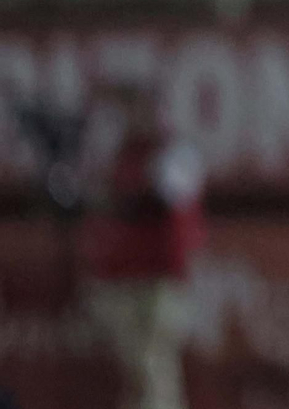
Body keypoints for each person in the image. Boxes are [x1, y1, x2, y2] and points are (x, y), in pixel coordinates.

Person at [80, 81, 206, 409]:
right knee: (136, 371)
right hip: (126, 276)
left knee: (155, 366)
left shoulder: (173, 154)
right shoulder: (123, 156)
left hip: (160, 279)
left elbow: (165, 199)